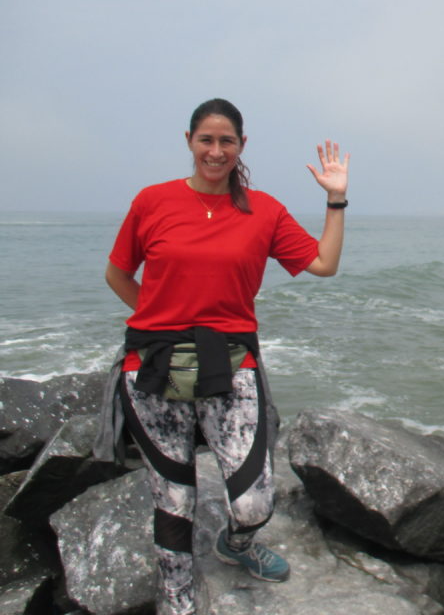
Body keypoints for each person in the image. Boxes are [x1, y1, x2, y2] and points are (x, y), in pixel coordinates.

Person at [101, 98, 349, 615]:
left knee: (254, 502)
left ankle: (235, 545)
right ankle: (179, 602)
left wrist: (336, 200)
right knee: (174, 500)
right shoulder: (152, 201)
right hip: (152, 364)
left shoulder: (265, 210)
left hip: (232, 360)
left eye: (226, 141)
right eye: (206, 140)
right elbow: (118, 274)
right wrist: (159, 319)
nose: (215, 151)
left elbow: (323, 264)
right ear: (188, 141)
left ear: (241, 146)